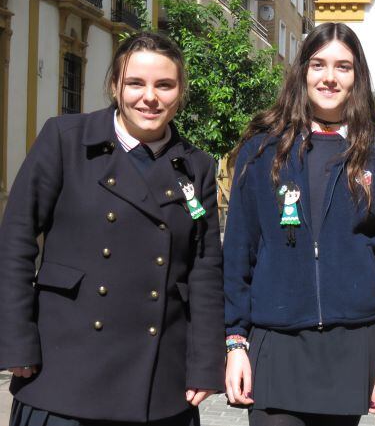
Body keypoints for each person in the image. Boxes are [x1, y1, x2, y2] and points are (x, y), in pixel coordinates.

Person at [0, 31, 225, 425]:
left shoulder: (197, 166)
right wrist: (15, 338)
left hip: (158, 383)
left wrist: (206, 362)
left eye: (164, 85)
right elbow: (16, 240)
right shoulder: (65, 140)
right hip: (65, 366)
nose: (149, 97)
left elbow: (205, 269)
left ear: (180, 92)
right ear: (114, 85)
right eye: (135, 83)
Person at [223, 22, 375, 426]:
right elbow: (239, 253)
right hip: (276, 341)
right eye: (318, 65)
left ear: (357, 77)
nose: (329, 77)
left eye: (343, 67)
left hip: (350, 345)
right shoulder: (261, 150)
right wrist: (235, 343)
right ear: (302, 73)